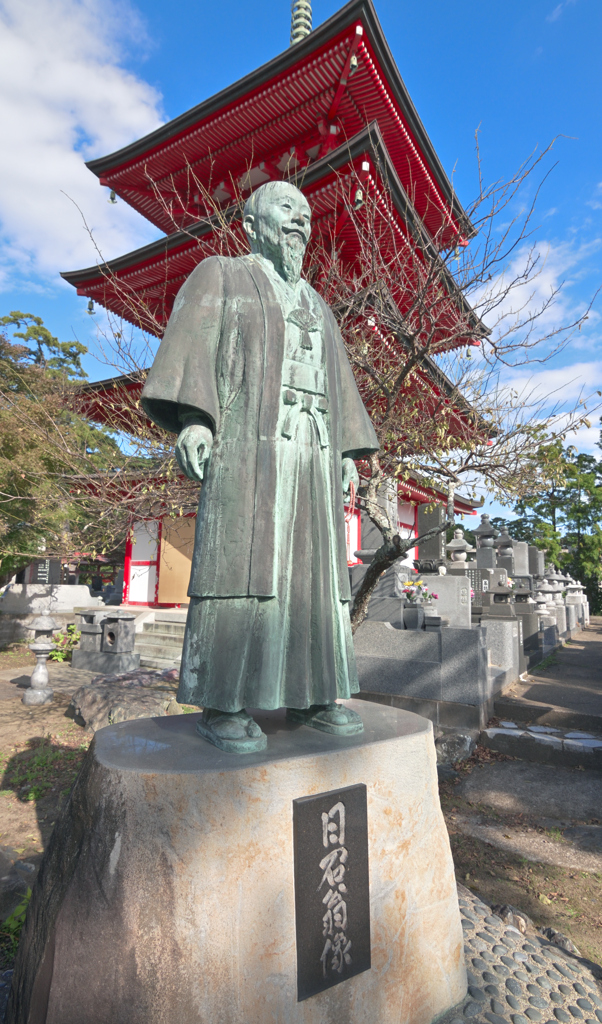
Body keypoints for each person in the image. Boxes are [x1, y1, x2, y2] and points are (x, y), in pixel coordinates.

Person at [141, 181, 378, 752]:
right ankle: (223, 701)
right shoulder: (220, 275)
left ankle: (315, 694)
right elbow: (192, 352)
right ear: (251, 225)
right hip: (249, 446)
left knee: (315, 575)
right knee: (242, 565)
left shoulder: (319, 304)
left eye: (305, 214)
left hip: (315, 449)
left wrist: (347, 452)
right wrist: (196, 420)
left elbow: (340, 386)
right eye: (284, 210)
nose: (298, 220)